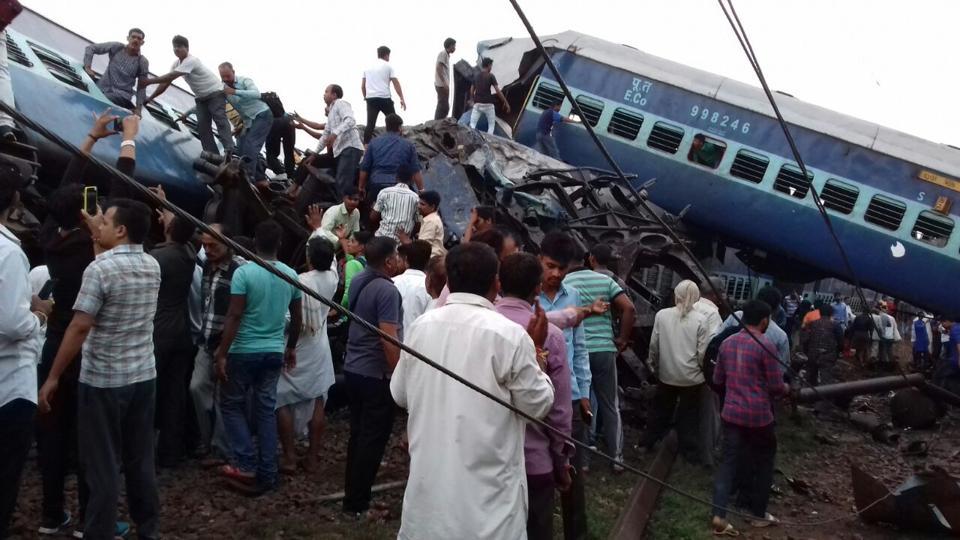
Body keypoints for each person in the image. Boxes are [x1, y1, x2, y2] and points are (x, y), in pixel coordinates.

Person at [391, 243, 555, 539]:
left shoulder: (420, 327)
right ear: (496, 283)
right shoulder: (510, 336)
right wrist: (538, 353)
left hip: (428, 504)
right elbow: (537, 405)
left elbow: (399, 394)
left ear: (449, 281)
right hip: (487, 513)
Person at [38, 198, 161, 540]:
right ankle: (148, 528)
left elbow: (80, 326)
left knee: (102, 464)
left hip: (104, 380)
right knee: (140, 459)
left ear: (121, 230)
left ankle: (99, 532)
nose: (98, 224)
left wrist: (52, 376)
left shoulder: (99, 271)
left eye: (104, 221)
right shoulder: (152, 264)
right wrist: (98, 238)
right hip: (143, 374)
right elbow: (110, 271)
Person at [214, 220, 302, 494]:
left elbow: (234, 315)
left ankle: (245, 462)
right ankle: (268, 471)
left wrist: (222, 353)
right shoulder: (291, 274)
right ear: (279, 244)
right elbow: (297, 317)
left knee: (231, 405)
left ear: (254, 242)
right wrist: (291, 347)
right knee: (265, 410)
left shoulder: (244, 273)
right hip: (273, 350)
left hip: (243, 350)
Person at [495, 253, 572, 540]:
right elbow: (559, 411)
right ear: (538, 287)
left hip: (488, 460)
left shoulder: (481, 326)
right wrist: (561, 461)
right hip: (535, 462)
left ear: (499, 282)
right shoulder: (551, 335)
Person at [711, 300, 789, 534]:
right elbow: (776, 387)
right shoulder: (766, 345)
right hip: (759, 417)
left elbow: (717, 380)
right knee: (763, 461)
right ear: (764, 321)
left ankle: (718, 515)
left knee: (728, 462)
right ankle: (758, 514)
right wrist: (787, 389)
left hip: (731, 414)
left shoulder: (727, 343)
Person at [342, 236, 404, 517]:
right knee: (372, 439)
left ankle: (353, 497)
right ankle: (358, 504)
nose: (400, 260)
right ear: (389, 261)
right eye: (397, 255)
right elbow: (388, 338)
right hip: (375, 373)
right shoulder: (387, 291)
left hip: (353, 368)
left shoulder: (359, 279)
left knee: (358, 435)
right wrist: (399, 376)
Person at [0, 163, 46, 539]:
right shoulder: (9, 253)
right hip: (9, 383)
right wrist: (39, 316)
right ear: (15, 200)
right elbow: (14, 323)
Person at [536, 232, 591, 539]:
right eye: (550, 266)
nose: (556, 274)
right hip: (534, 396)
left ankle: (576, 533)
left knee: (573, 471)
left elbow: (579, 348)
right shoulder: (528, 295)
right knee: (536, 470)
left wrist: (584, 392)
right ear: (539, 260)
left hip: (568, 396)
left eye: (562, 268)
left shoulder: (573, 296)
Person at [564, 251, 635, 470]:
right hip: (604, 349)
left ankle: (583, 461)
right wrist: (622, 338)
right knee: (610, 404)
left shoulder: (565, 283)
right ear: (587, 261)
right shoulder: (605, 280)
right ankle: (617, 458)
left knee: (582, 403)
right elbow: (629, 308)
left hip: (579, 351)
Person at [276, 238, 337, 473]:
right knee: (318, 398)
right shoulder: (332, 278)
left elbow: (287, 320)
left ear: (309, 258)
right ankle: (312, 457)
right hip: (318, 345)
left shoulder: (296, 281)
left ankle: (290, 456)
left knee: (281, 398)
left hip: (295, 346)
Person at [189, 224, 243, 460]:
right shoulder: (206, 267)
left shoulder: (239, 271)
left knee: (224, 397)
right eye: (205, 245)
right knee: (197, 387)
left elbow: (238, 313)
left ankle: (220, 448)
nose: (208, 250)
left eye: (213, 246)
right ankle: (208, 437)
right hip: (206, 340)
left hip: (228, 343)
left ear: (228, 245)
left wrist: (226, 346)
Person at [642, 280, 710, 463]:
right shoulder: (701, 320)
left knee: (660, 410)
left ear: (676, 295)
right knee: (689, 415)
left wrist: (654, 365)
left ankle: (647, 442)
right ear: (696, 297)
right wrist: (702, 371)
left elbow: (654, 345)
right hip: (692, 378)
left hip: (667, 374)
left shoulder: (662, 315)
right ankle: (689, 452)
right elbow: (702, 353)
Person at [150, 210, 197, 468]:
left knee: (150, 392)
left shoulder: (158, 258)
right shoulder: (189, 253)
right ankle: (171, 452)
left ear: (169, 229)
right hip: (182, 331)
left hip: (159, 332)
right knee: (175, 394)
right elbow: (182, 234)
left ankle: (144, 450)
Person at [143, 35, 235, 155]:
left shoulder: (191, 60)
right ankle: (212, 154)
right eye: (174, 47)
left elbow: (171, 76)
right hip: (201, 98)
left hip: (215, 93)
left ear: (187, 48)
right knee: (202, 126)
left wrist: (149, 81)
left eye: (180, 46)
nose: (176, 49)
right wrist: (150, 98)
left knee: (220, 119)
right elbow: (166, 83)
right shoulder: (176, 64)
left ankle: (229, 151)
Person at [219, 62, 273, 185]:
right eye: (223, 77)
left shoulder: (244, 81)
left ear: (233, 72)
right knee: (242, 146)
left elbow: (256, 93)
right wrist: (187, 114)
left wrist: (234, 91)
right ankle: (260, 178)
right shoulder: (222, 88)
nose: (226, 79)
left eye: (228, 76)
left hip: (262, 114)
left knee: (251, 143)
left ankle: (248, 177)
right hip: (248, 122)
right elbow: (212, 103)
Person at [716, 286, 791, 376]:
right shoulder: (780, 336)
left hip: (726, 376)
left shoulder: (736, 316)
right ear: (776, 309)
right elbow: (781, 369)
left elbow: (717, 339)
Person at [309, 84, 364, 198]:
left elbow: (350, 120)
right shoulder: (330, 113)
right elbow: (325, 136)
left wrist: (335, 133)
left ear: (334, 95)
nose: (324, 94)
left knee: (342, 182)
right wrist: (314, 154)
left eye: (326, 91)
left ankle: (345, 207)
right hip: (340, 151)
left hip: (350, 147)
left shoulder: (340, 103)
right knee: (339, 181)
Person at [357, 113, 423, 204]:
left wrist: (361, 187)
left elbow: (364, 168)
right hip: (400, 187)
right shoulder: (408, 145)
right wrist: (421, 190)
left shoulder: (373, 143)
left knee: (372, 208)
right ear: (399, 128)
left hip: (377, 185)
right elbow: (416, 171)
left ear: (386, 127)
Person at [82, 28, 149, 111]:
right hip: (101, 88)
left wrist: (138, 108)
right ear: (128, 38)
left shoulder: (142, 61)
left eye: (139, 38)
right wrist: (87, 67)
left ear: (142, 42)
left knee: (100, 101)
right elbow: (91, 48)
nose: (135, 40)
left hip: (121, 96)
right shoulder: (117, 47)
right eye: (133, 37)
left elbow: (142, 86)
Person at [362, 45, 406, 144]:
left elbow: (362, 86)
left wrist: (366, 97)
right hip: (385, 99)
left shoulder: (367, 68)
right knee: (395, 122)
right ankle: (399, 143)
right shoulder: (388, 66)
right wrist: (401, 98)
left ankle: (365, 146)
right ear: (386, 55)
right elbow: (396, 83)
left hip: (371, 99)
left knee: (370, 124)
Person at [393, 240, 432, 331]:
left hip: (391, 337)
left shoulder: (391, 282)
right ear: (428, 262)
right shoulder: (430, 287)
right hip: (417, 337)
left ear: (406, 260)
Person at [799, 304, 841, 386]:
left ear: (820, 313)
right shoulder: (836, 325)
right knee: (826, 379)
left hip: (813, 355)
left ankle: (810, 391)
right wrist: (837, 353)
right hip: (828, 356)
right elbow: (841, 342)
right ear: (831, 313)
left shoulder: (813, 324)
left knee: (811, 378)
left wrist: (807, 351)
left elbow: (806, 340)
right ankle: (823, 392)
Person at [469, 57, 510, 134]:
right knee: (491, 126)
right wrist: (506, 103)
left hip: (477, 104)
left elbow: (471, 90)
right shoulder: (491, 76)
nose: (491, 67)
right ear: (488, 65)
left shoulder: (476, 76)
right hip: (488, 105)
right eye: (491, 65)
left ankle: (472, 138)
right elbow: (498, 91)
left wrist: (472, 100)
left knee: (472, 124)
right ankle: (489, 139)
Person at [340, 230, 373, 309]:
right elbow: (349, 257)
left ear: (361, 247)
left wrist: (338, 309)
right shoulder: (368, 262)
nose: (348, 244)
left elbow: (348, 294)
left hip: (347, 310)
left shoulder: (352, 264)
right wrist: (342, 238)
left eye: (352, 241)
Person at [414, 190, 445, 257]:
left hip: (430, 259)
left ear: (432, 207)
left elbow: (422, 247)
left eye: (422, 204)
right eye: (419, 203)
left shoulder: (431, 221)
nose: (419, 206)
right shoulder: (431, 218)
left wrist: (405, 240)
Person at [266, 112, 296, 178]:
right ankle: (290, 176)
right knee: (289, 152)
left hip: (277, 120)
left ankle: (281, 173)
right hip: (289, 121)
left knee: (271, 153)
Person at [435, 38, 456, 120]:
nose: (455, 48)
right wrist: (444, 82)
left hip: (443, 84)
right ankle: (437, 122)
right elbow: (438, 67)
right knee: (443, 105)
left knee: (444, 104)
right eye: (454, 46)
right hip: (441, 85)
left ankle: (440, 120)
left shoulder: (446, 55)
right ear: (450, 46)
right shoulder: (443, 54)